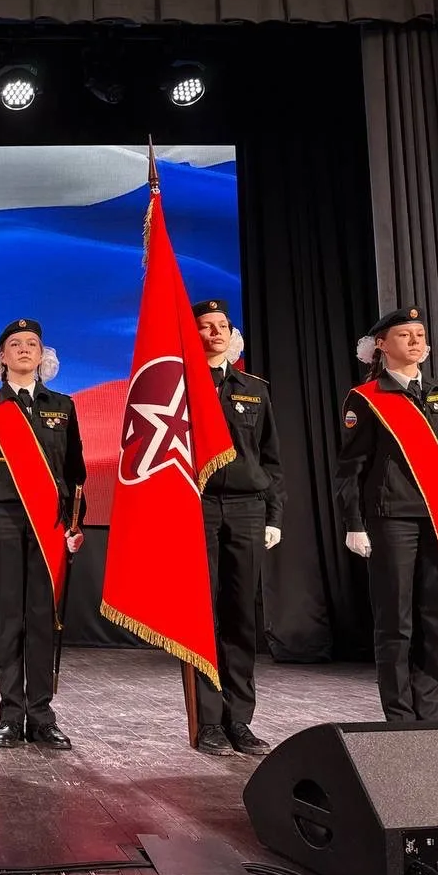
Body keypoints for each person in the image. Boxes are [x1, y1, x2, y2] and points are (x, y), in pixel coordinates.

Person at [335, 306, 438, 722]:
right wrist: (354, 523)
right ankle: (399, 716)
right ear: (381, 345)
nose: (415, 341)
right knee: (395, 622)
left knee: (433, 618)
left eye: (420, 334)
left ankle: (431, 714)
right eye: (404, 335)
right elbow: (350, 469)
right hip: (391, 517)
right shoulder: (366, 398)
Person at [0, 319, 85, 750]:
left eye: (33, 343)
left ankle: (42, 716)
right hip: (2, 518)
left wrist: (75, 524)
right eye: (15, 344)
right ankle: (11, 716)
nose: (25, 349)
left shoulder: (63, 407)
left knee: (43, 619)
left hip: (49, 522)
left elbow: (76, 472)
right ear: (1, 357)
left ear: (43, 354)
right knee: (10, 618)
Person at [191, 299, 285, 756]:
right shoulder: (180, 389)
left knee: (241, 617)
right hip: (199, 507)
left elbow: (271, 459)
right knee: (203, 618)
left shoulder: (255, 389)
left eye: (222, 326)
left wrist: (274, 515)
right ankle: (209, 721)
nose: (215, 332)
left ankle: (240, 720)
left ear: (232, 333)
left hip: (248, 507)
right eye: (205, 326)